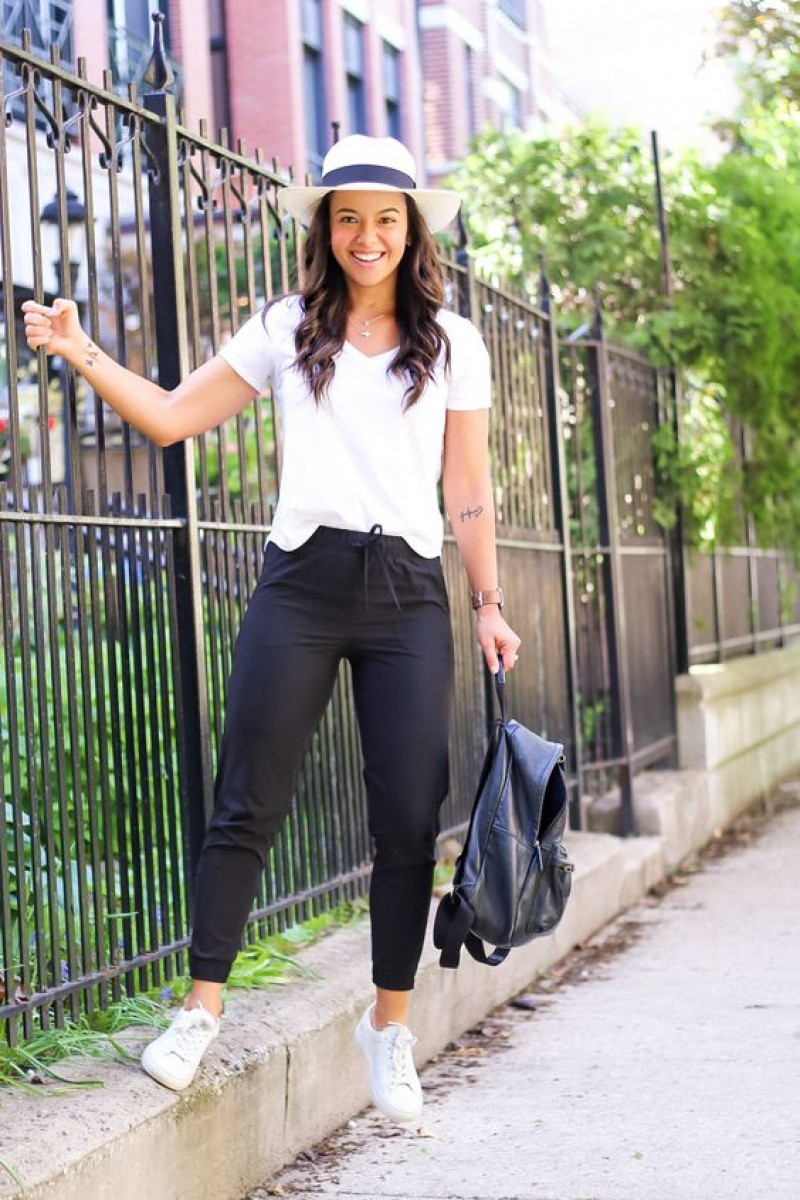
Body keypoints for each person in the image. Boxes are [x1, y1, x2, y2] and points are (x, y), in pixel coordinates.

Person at [23, 134, 521, 1124]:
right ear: (324, 229)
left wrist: (486, 600)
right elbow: (170, 417)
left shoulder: (455, 343)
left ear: (410, 228)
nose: (365, 235)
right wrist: (79, 350)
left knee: (406, 822)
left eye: (384, 217)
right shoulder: (287, 329)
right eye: (346, 217)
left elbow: (465, 486)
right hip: (301, 583)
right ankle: (199, 1010)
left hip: (409, 591)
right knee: (244, 799)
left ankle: (387, 1025)